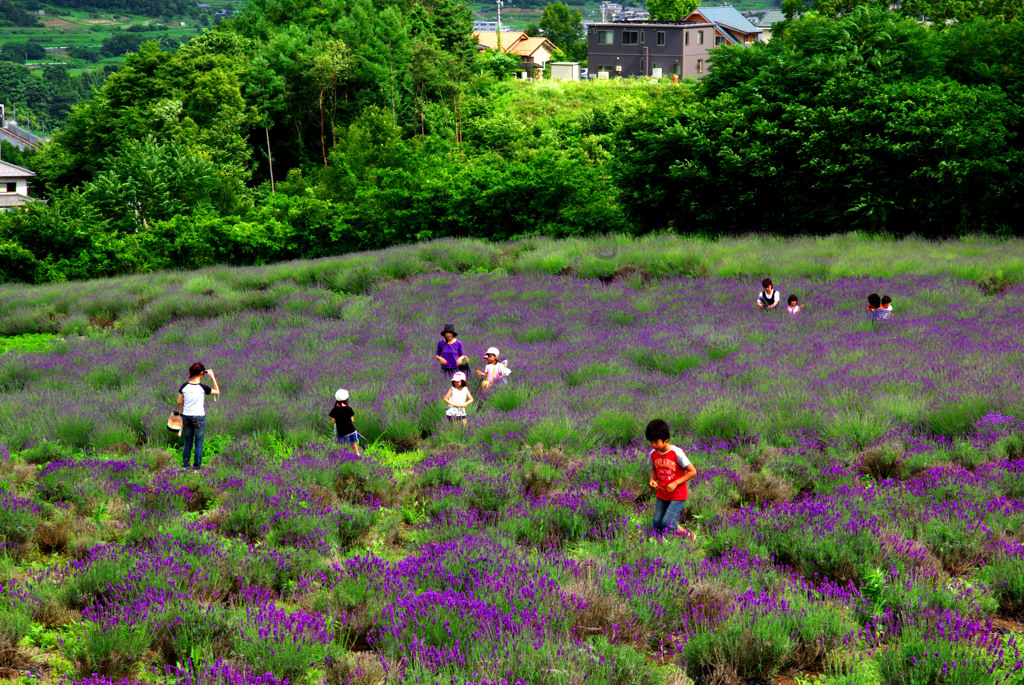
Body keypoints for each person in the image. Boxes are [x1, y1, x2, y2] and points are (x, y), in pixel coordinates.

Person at [646, 419, 697, 540]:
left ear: (666, 439)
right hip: (662, 494)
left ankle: (687, 535)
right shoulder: (653, 454)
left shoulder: (676, 453)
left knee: (666, 523)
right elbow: (655, 469)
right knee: (656, 524)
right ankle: (661, 543)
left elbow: (693, 471)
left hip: (677, 495)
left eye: (656, 442)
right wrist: (652, 480)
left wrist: (675, 483)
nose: (653, 445)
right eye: (651, 442)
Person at [178, 362, 220, 471]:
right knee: (198, 443)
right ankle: (196, 468)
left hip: (186, 416)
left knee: (188, 442)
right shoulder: (203, 387)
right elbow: (217, 392)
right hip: (199, 417)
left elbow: (179, 401)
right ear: (202, 373)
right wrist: (212, 377)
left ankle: (186, 466)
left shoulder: (184, 386)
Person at [329, 388, 360, 455]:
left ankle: (343, 456)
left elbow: (332, 422)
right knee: (353, 444)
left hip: (341, 431)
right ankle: (358, 455)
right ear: (346, 399)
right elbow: (352, 420)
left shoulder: (334, 410)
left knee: (342, 446)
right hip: (350, 430)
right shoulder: (348, 409)